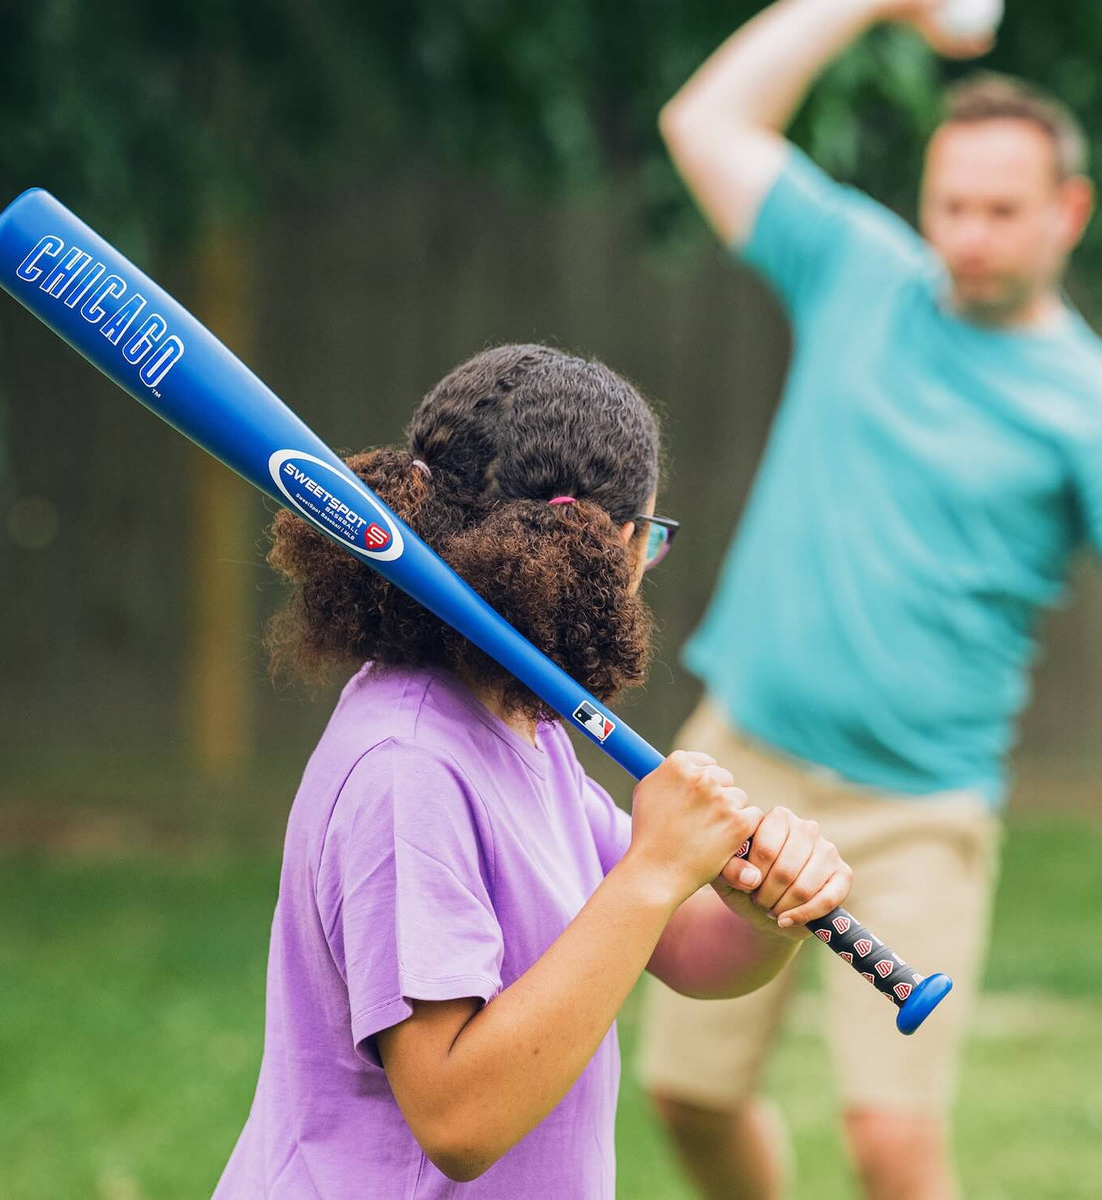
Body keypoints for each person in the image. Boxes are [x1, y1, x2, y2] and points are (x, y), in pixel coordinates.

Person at [638, 2, 1102, 1198]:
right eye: (951, 204)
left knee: (893, 1145)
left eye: (1003, 210)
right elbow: (705, 121)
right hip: (741, 764)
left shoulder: (1081, 404)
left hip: (920, 809)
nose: (969, 235)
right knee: (686, 1100)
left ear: (1069, 213)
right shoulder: (862, 273)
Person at [211, 344, 853, 1197]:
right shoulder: (408, 769)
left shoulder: (519, 725)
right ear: (618, 544)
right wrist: (656, 870)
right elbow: (458, 1119)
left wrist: (769, 911)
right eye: (651, 540)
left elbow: (688, 949)